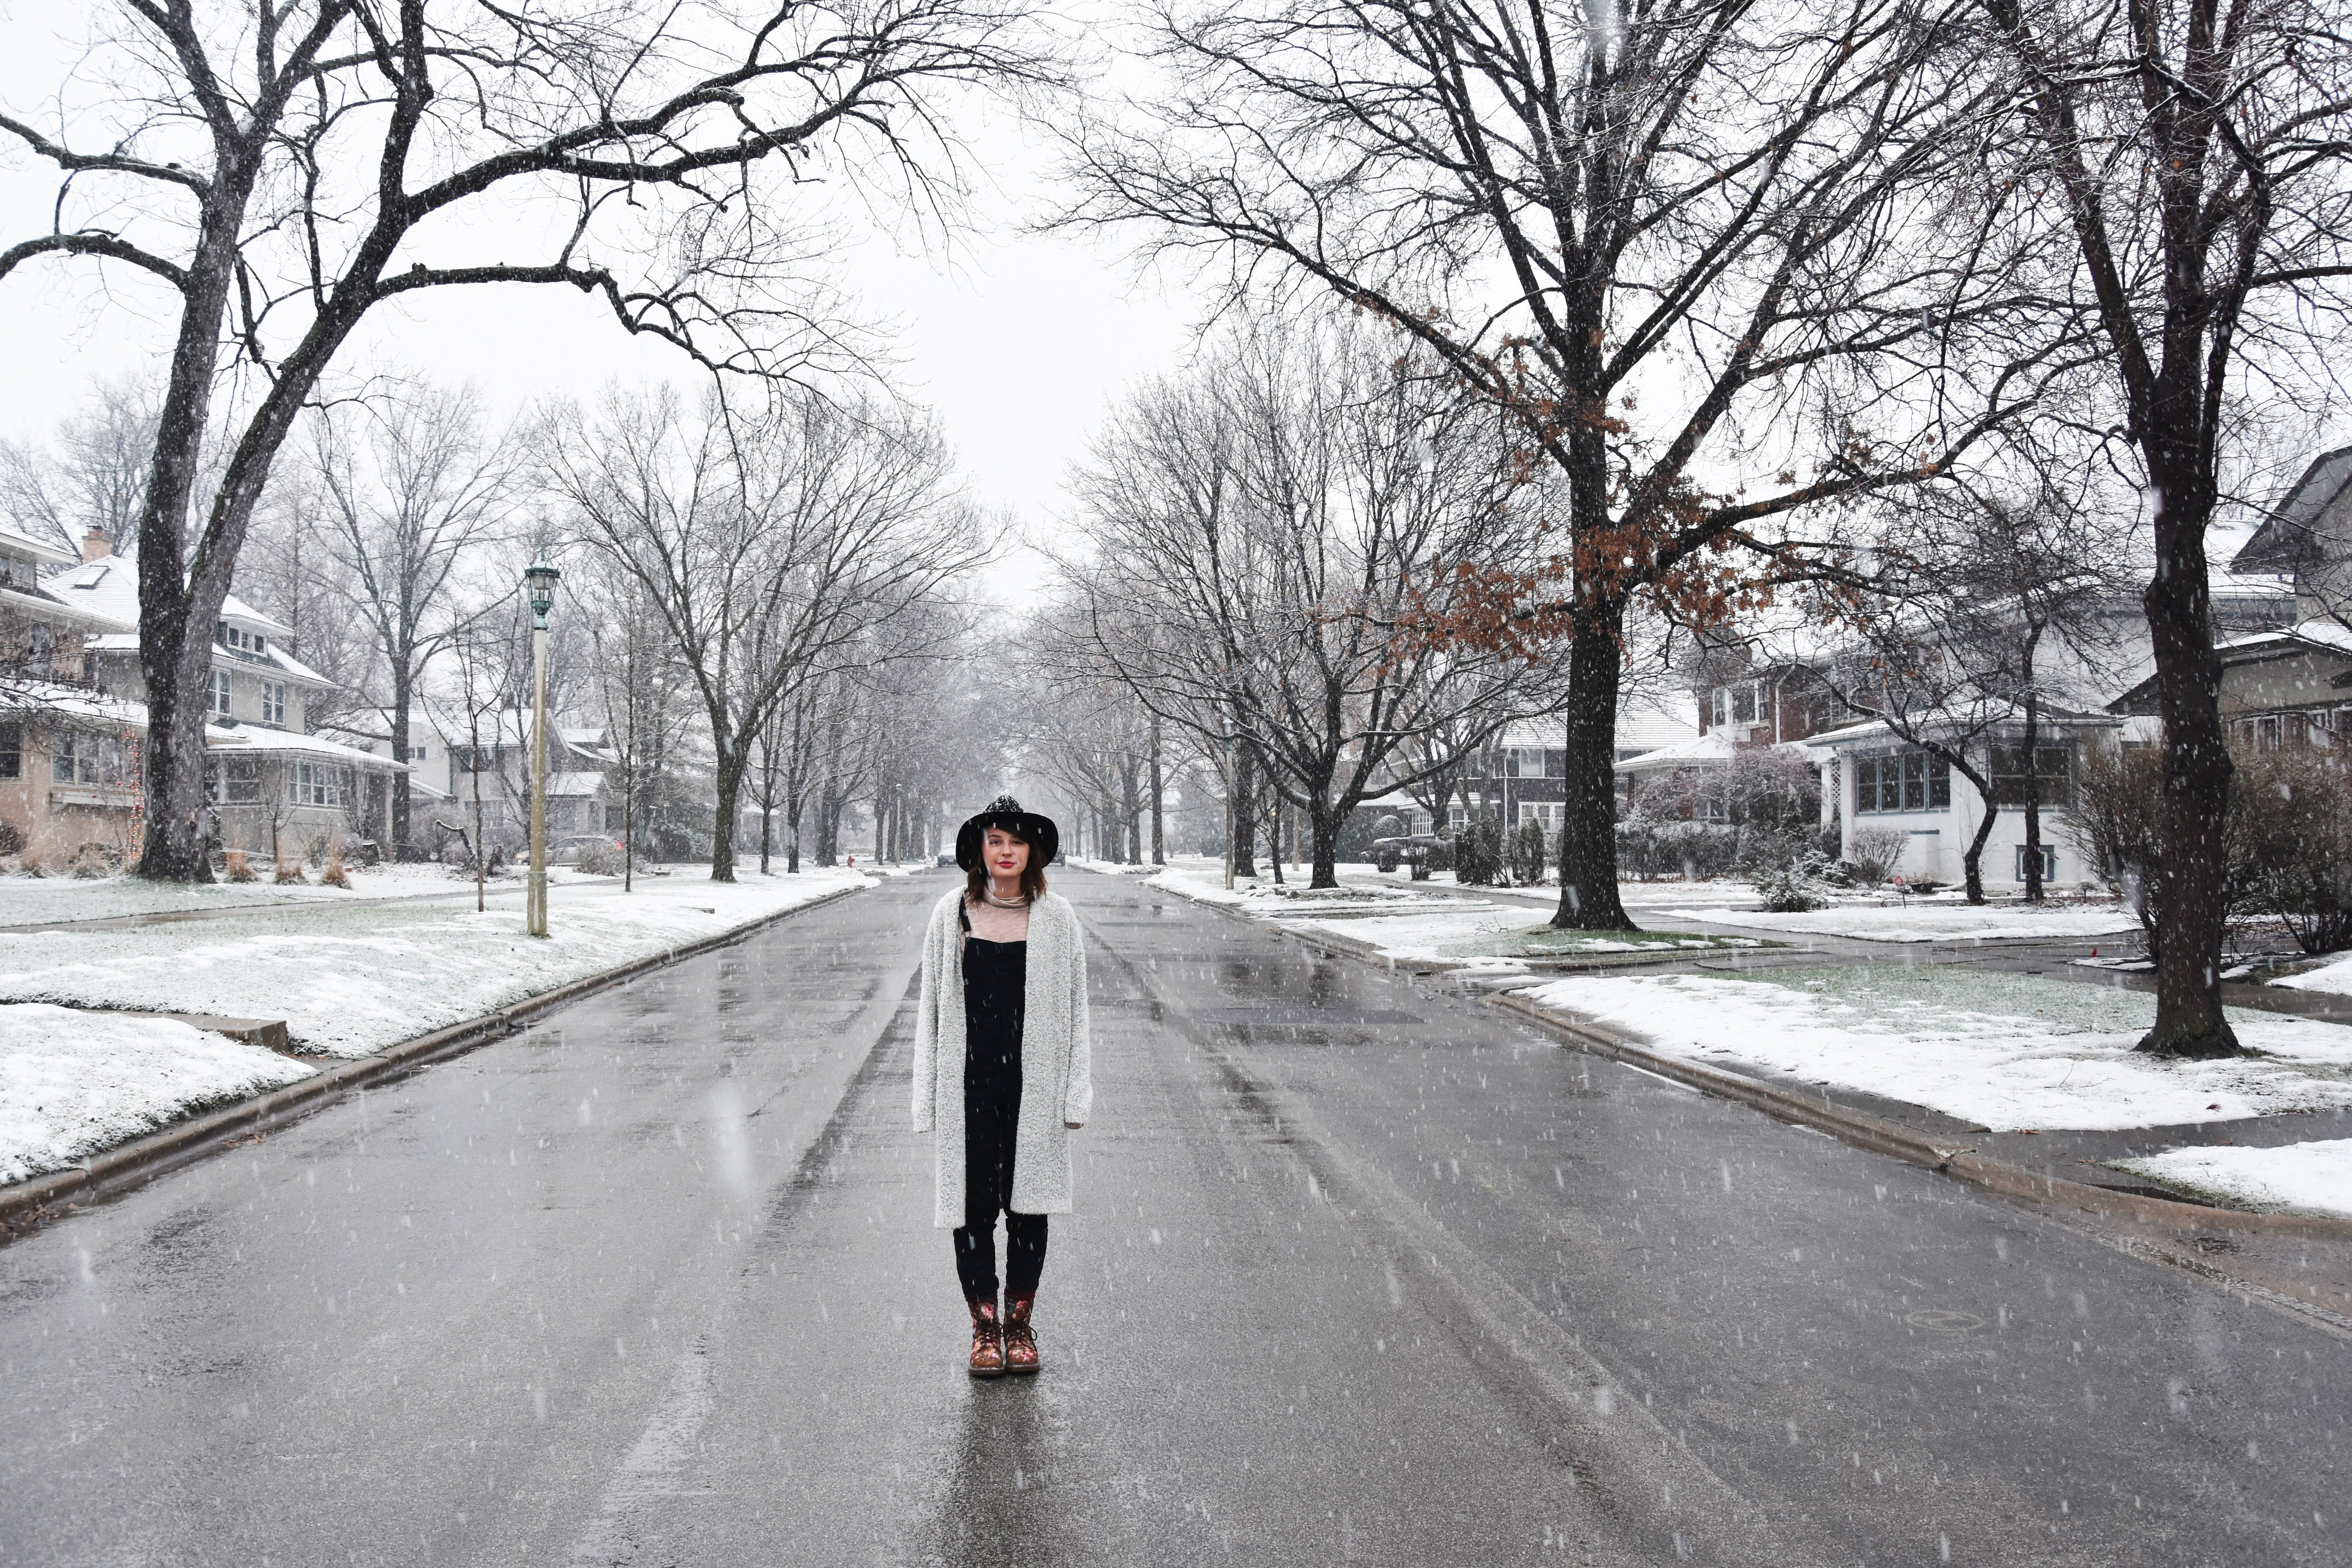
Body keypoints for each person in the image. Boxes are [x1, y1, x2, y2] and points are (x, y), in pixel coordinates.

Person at [912, 795, 1092, 1377]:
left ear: (1032, 851)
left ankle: (1019, 1326)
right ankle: (984, 1330)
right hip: (968, 1085)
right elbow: (931, 1007)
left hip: (1034, 1086)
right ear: (980, 850)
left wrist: (1075, 1091)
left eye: (1017, 842)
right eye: (996, 841)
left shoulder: (1057, 917)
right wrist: (927, 1094)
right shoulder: (951, 913)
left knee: (1028, 1207)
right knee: (971, 1211)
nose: (1007, 851)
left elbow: (1076, 1010)